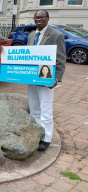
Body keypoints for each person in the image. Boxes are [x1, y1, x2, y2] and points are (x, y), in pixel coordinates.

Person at [27, 10, 66, 151]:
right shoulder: (31, 35)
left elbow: (61, 59)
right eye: (36, 17)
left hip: (46, 78)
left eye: (42, 17)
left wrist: (56, 78)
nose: (39, 19)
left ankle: (47, 138)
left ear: (48, 18)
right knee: (34, 108)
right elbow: (28, 56)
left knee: (46, 109)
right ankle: (38, 134)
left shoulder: (56, 35)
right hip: (32, 78)